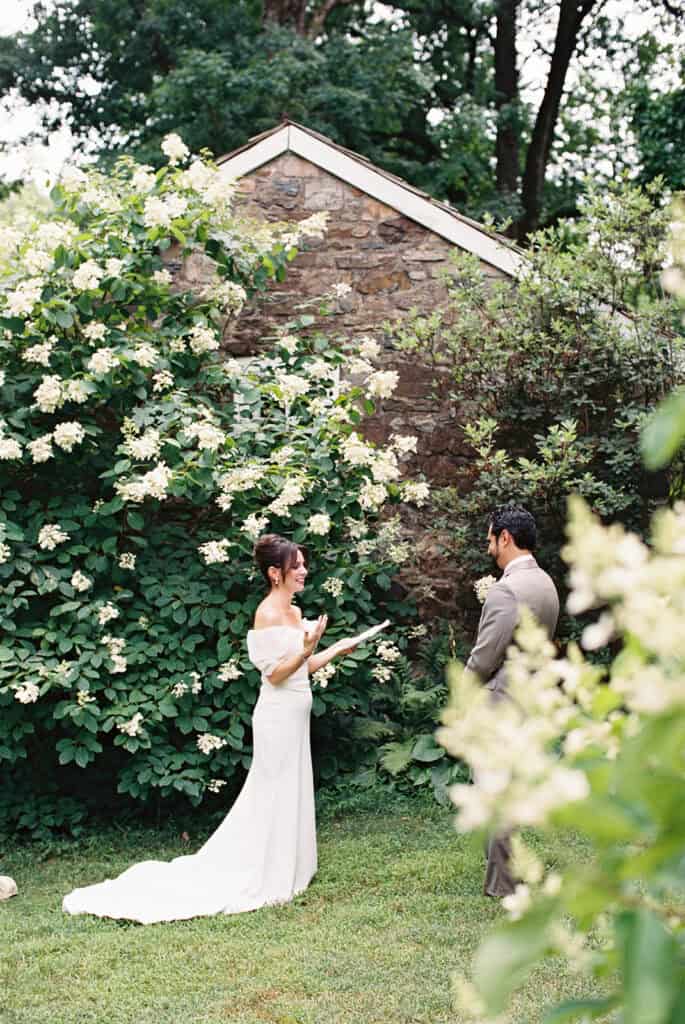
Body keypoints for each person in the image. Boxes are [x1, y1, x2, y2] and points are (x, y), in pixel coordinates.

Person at [62, 533, 356, 923]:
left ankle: (291, 865)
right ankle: (264, 870)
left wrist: (333, 650)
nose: (304, 570)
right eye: (296, 565)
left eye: (303, 564)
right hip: (276, 716)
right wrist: (306, 648)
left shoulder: (295, 612)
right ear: (274, 573)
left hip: (297, 712)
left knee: (292, 786)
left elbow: (302, 669)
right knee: (272, 788)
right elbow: (275, 676)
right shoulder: (267, 613)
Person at [466, 505, 559, 899]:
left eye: (490, 539)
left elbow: (486, 655)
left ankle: (503, 883)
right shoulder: (545, 584)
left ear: (505, 537)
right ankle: (508, 874)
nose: (489, 548)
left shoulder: (507, 589)